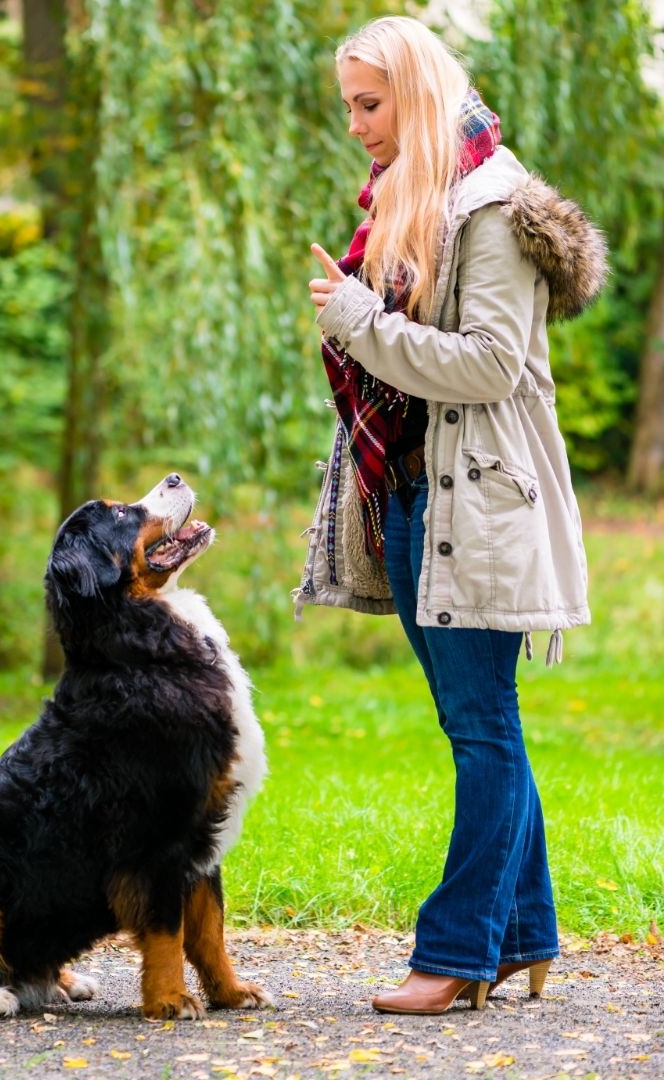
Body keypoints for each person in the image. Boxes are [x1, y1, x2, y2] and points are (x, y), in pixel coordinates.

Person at [297, 16, 603, 1015]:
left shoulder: (494, 208)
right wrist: (363, 320)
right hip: (416, 495)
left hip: (479, 504)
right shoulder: (409, 197)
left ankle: (459, 952)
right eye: (349, 105)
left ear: (419, 95)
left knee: (482, 728)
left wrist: (359, 321)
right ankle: (522, 937)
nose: (356, 125)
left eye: (370, 103)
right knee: (481, 724)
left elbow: (490, 364)